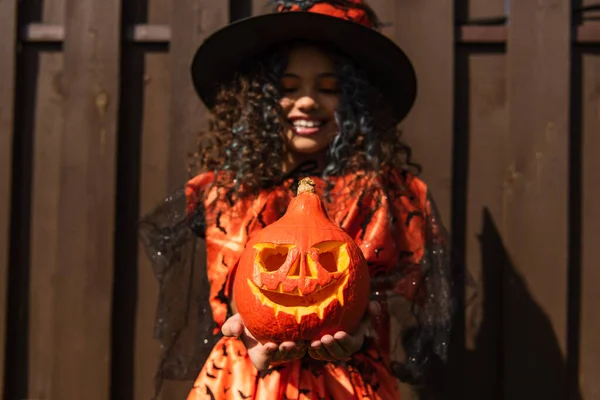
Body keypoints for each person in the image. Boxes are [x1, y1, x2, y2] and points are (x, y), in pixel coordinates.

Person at [139, 1, 455, 399]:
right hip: (242, 380)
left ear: (357, 102)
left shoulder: (383, 196)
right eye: (288, 89)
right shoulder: (227, 194)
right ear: (258, 104)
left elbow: (397, 297)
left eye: (328, 88)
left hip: (349, 383)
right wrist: (242, 323)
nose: (306, 102)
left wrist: (365, 323)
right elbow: (234, 294)